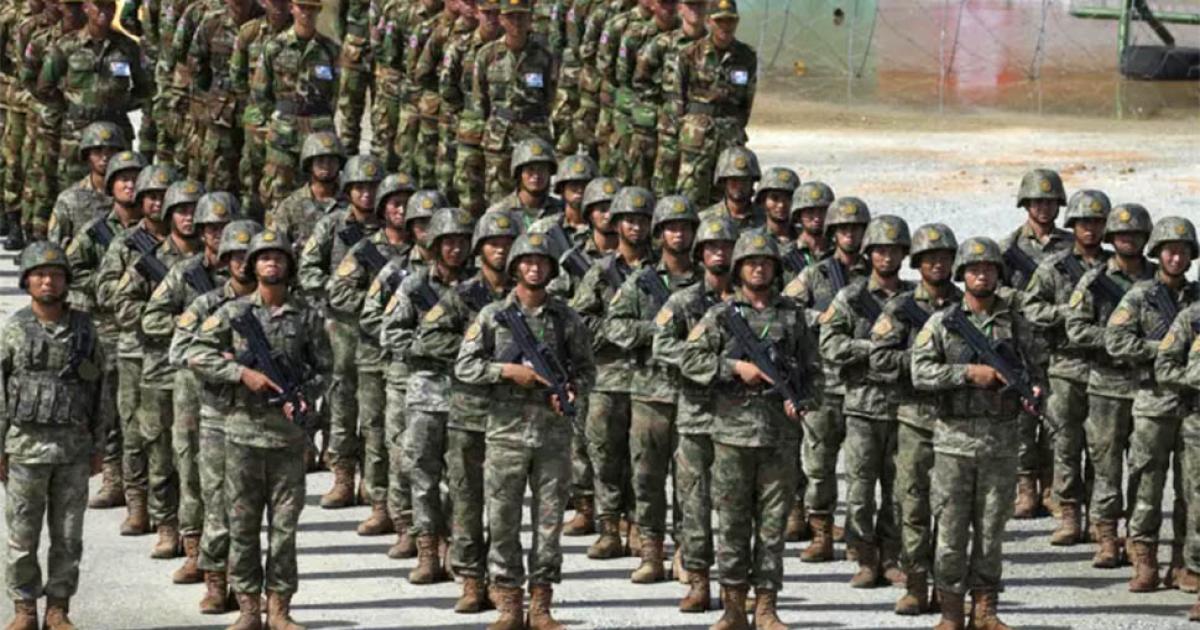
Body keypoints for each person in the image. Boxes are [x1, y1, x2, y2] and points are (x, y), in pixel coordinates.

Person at [188, 229, 330, 630]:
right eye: (264, 257)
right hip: (242, 437)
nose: (272, 263)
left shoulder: (306, 316)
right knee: (243, 528)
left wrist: (304, 395)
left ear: (289, 265)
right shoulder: (233, 314)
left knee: (284, 531)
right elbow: (194, 353)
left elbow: (327, 369)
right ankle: (249, 609)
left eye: (279, 257)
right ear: (252, 265)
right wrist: (240, 373)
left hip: (287, 440)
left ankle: (280, 610)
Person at [454, 232, 595, 630]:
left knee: (549, 524)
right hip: (506, 432)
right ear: (515, 267)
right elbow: (465, 366)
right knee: (502, 521)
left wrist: (571, 389)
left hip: (553, 435)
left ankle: (542, 605)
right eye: (528, 261)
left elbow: (588, 370)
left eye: (542, 262)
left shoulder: (565, 318)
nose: (535, 268)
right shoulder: (494, 316)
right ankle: (509, 604)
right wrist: (506, 371)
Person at [681, 231, 817, 630]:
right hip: (731, 436)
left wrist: (803, 400)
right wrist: (734, 368)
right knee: (733, 524)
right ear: (739, 269)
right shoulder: (722, 316)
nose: (759, 268)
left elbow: (815, 371)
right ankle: (734, 608)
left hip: (779, 436)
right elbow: (690, 360)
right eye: (751, 262)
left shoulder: (792, 316)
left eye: (765, 262)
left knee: (772, 527)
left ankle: (767, 607)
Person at [911, 236, 1044, 630]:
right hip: (953, 443)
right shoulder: (943, 323)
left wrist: (1035, 392)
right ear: (962, 275)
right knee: (950, 533)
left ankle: (985, 610)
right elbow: (920, 373)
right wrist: (968, 373)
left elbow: (1039, 372)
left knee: (991, 533)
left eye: (988, 269)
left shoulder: (1016, 323)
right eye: (974, 269)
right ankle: (951, 612)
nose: (982, 275)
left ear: (999, 275)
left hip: (1000, 443)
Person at [415, 210, 520, 611]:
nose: (501, 250)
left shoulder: (527, 296)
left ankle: (502, 580)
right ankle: (471, 579)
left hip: (514, 416)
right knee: (466, 499)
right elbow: (427, 338)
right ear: (480, 250)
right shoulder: (462, 296)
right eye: (494, 244)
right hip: (469, 412)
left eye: (508, 244)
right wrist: (476, 351)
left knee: (505, 505)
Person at [1, 241, 105, 630]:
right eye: (40, 275)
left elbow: (101, 390)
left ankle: (58, 609)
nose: (48, 281)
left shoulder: (85, 329)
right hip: (25, 450)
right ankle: (25, 609)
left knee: (68, 536)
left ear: (66, 281)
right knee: (22, 535)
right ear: (27, 281)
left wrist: (100, 446)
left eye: (56, 275)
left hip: (73, 451)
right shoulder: (14, 329)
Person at [141, 192, 240, 584]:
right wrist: (193, 328)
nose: (217, 235)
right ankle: (195, 547)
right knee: (190, 463)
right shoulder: (186, 273)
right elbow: (151, 319)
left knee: (235, 472)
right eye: (210, 228)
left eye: (224, 227)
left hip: (239, 385)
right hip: (192, 382)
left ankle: (232, 557)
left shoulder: (250, 274)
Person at [169, 218, 264, 614]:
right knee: (215, 500)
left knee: (249, 508)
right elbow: (179, 351)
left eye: (248, 255)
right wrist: (230, 366)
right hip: (216, 414)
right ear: (224, 261)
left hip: (261, 420)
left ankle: (248, 589)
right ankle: (214, 581)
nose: (241, 263)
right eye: (234, 256)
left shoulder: (277, 306)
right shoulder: (208, 305)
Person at [107, 178, 205, 559]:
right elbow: (122, 306)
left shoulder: (215, 261)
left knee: (197, 456)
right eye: (181, 211)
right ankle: (166, 525)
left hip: (203, 371)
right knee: (159, 451)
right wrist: (176, 320)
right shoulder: (149, 260)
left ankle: (199, 533)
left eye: (194, 211)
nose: (188, 218)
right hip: (160, 365)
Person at [606, 194, 701, 583]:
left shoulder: (706, 283)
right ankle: (650, 552)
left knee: (691, 482)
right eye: (671, 228)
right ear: (660, 234)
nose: (678, 234)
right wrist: (659, 331)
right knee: (646, 479)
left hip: (694, 395)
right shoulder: (641, 282)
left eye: (685, 227)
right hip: (649, 393)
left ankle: (686, 552)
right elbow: (614, 326)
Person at [382, 206, 477, 584]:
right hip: (425, 392)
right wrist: (433, 346)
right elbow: (391, 333)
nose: (455, 249)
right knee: (421, 473)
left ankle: (457, 546)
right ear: (434, 245)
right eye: (447, 242)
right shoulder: (414, 285)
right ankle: (426, 549)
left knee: (463, 477)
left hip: (469, 395)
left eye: (462, 242)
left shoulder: (481, 287)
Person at [870, 223, 962, 614]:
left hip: (958, 422)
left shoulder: (968, 306)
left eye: (944, 258)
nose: (937, 264)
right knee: (912, 505)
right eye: (929, 258)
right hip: (913, 419)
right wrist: (925, 361)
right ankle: (916, 583)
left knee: (953, 509)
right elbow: (878, 358)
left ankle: (949, 585)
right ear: (918, 263)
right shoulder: (900, 308)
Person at [1106, 217, 1200, 593]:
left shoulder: (1197, 299)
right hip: (1153, 401)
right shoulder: (1140, 296)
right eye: (1170, 251)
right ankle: (1143, 558)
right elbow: (1116, 341)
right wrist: (1165, 349)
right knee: (1146, 483)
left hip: (1192, 406)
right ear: (1157, 254)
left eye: (1183, 252)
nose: (1176, 258)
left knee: (1191, 489)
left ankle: (1184, 562)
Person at [820, 215, 913, 588]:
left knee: (899, 488)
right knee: (859, 490)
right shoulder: (851, 297)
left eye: (894, 250)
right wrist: (870, 348)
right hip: (862, 405)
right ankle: (864, 556)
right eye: (880, 250)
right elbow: (829, 343)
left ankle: (891, 556)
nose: (887, 257)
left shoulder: (914, 299)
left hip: (905, 406)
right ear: (869, 253)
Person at [1063, 203, 1156, 569]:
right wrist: (1120, 339)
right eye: (1121, 234)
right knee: (1106, 465)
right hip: (1106, 384)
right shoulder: (1094, 280)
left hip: (1149, 385)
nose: (1128, 240)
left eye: (1135, 234)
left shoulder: (1159, 280)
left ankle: (1137, 537)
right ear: (1111, 238)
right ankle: (1105, 537)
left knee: (1145, 466)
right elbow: (1076, 329)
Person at [653, 215, 737, 611]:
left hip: (742, 420)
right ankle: (698, 578)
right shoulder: (683, 301)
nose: (719, 253)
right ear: (700, 254)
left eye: (726, 247)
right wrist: (714, 364)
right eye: (712, 247)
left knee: (738, 507)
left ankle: (737, 586)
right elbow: (662, 346)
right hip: (697, 415)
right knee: (694, 503)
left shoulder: (755, 303)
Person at [64, 151, 150, 537]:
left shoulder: (157, 230)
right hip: (109, 329)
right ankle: (115, 476)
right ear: (111, 186)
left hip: (150, 330)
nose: (130, 185)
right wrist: (107, 286)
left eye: (136, 178)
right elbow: (70, 269)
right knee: (112, 408)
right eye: (123, 179)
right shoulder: (97, 231)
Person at [326, 173, 417, 536]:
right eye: (394, 203)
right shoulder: (365, 250)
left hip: (414, 358)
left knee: (411, 437)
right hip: (373, 353)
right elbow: (338, 292)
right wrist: (382, 303)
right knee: (376, 431)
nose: (401, 210)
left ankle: (411, 509)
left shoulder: (425, 250)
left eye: (406, 203)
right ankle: (381, 504)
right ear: (382, 208)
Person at [783, 196, 871, 562]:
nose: (850, 235)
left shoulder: (876, 274)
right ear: (833, 233)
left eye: (856, 229)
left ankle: (859, 539)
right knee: (818, 466)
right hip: (823, 384)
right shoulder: (814, 274)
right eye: (843, 229)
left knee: (862, 469)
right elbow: (785, 310)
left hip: (864, 385)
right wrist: (821, 318)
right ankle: (820, 532)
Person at [571, 186, 657, 560]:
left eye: (642, 220)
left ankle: (639, 526)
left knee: (645, 459)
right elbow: (579, 323)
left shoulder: (661, 272)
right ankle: (609, 527)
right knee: (604, 455)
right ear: (617, 224)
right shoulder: (600, 272)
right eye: (629, 220)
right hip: (607, 377)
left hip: (651, 378)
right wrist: (627, 331)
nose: (635, 227)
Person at [1022, 190, 1112, 546]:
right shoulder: (1054, 267)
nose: (1090, 229)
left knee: (1103, 448)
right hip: (1065, 366)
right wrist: (1069, 314)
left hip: (1107, 369)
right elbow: (1031, 308)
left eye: (1097, 222)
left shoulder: (1115, 267)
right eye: (1083, 222)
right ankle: (1070, 514)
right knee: (1066, 444)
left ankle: (1101, 520)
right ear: (1072, 225)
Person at [298, 154, 385, 508]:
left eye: (372, 187)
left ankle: (373, 480)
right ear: (348, 191)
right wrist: (337, 289)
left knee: (377, 408)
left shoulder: (391, 228)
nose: (366, 194)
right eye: (359, 188)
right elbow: (307, 271)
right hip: (342, 328)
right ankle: (343, 476)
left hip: (381, 330)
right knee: (342, 404)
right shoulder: (333, 225)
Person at [1000, 168, 1072, 519]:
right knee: (1023, 421)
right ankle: (1026, 488)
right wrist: (1027, 300)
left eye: (1049, 201)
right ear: (1025, 204)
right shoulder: (1008, 248)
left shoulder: (1071, 247)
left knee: (1060, 419)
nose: (1043, 208)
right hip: (1023, 344)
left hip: (1061, 345)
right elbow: (990, 289)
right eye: (1036, 201)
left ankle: (1053, 488)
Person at [36, 0, 152, 194]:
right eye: (99, 6)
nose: (104, 11)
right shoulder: (67, 46)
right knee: (72, 190)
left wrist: (120, 105)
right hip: (77, 132)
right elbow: (44, 86)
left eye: (109, 6)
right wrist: (71, 107)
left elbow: (145, 88)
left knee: (117, 188)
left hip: (116, 130)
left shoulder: (128, 47)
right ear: (86, 8)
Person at [251, 0, 341, 210]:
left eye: (312, 8)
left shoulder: (330, 49)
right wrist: (280, 119)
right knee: (277, 195)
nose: (306, 13)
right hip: (283, 138)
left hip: (318, 137)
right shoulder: (274, 47)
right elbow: (260, 92)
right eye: (302, 7)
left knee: (320, 196)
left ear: (319, 11)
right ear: (292, 8)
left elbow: (335, 95)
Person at [466, 0, 557, 203]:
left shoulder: (543, 56)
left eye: (521, 16)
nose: (516, 22)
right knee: (498, 197)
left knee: (535, 195)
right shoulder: (487, 55)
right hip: (499, 138)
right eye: (511, 17)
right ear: (501, 19)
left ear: (530, 19)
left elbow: (551, 97)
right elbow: (479, 99)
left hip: (533, 134)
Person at [674, 0, 755, 206]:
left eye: (730, 21)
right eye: (720, 21)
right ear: (709, 21)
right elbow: (678, 98)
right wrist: (687, 126)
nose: (725, 27)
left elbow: (747, 102)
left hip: (729, 137)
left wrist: (734, 127)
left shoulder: (746, 56)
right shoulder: (690, 53)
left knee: (728, 197)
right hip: (696, 139)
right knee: (690, 195)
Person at [47, 122, 127, 248]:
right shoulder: (70, 199)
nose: (105, 157)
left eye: (111, 151)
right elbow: (55, 246)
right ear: (87, 155)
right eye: (98, 151)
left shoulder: (133, 196)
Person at [698, 147, 764, 231]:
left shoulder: (766, 218)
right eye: (734, 180)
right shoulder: (705, 219)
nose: (739, 185)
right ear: (724, 182)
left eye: (744, 180)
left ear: (752, 182)